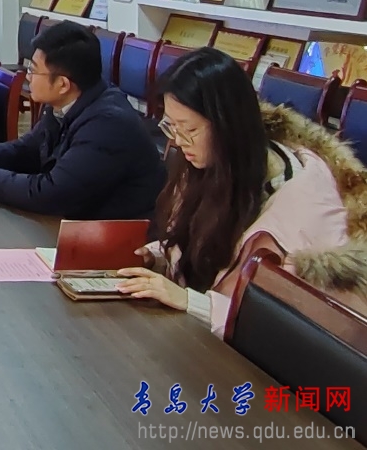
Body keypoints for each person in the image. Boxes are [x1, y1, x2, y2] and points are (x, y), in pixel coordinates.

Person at [116, 47, 367, 338]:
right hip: (201, 336)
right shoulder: (208, 164)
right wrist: (158, 256)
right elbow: (202, 249)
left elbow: (286, 325)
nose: (179, 141)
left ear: (228, 125)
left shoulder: (301, 204)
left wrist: (190, 301)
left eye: (190, 129)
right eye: (171, 126)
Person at [0, 22, 165, 218]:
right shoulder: (66, 102)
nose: (28, 76)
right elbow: (29, 149)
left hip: (118, 234)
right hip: (77, 223)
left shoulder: (108, 124)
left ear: (63, 84)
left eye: (33, 70)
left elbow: (50, 194)